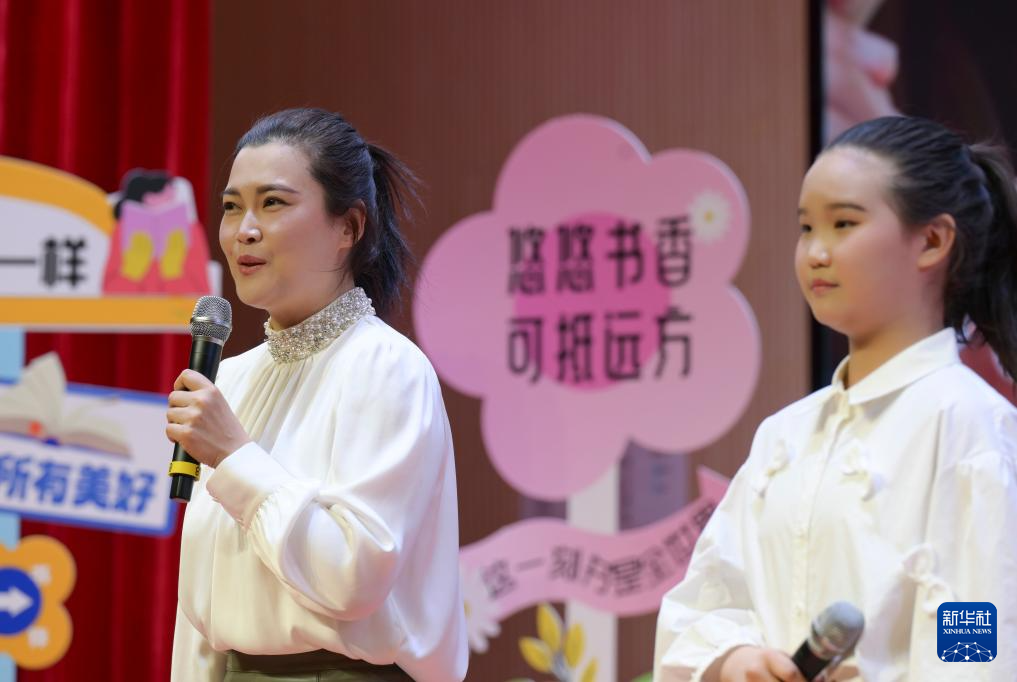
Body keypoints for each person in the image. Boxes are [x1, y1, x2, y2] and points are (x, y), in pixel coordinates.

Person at [653, 115, 1017, 681]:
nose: (816, 252)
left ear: (932, 241)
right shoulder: (786, 435)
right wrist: (736, 660)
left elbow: (974, 634)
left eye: (844, 223)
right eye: (806, 228)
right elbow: (708, 601)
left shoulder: (968, 423)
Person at [167, 108, 468, 681]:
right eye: (231, 207)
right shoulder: (232, 377)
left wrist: (234, 457)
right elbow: (204, 599)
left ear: (348, 228)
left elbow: (352, 578)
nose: (243, 230)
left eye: (272, 203)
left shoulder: (386, 367)